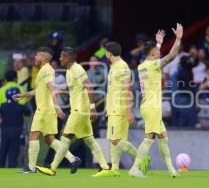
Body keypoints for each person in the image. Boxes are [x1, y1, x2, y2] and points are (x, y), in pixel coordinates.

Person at [35, 46, 117, 177]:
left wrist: (92, 108)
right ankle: (105, 167)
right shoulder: (69, 71)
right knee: (90, 140)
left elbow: (89, 87)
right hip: (79, 110)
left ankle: (52, 168)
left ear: (67, 58)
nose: (60, 58)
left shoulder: (77, 69)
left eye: (62, 56)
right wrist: (62, 90)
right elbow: (74, 88)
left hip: (80, 110)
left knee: (65, 137)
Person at [12, 47, 80, 174]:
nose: (35, 58)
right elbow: (40, 90)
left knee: (33, 135)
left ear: (43, 57)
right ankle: (72, 158)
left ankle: (31, 167)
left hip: (44, 109)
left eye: (37, 55)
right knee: (50, 139)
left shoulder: (46, 70)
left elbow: (52, 88)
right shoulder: (45, 70)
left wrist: (57, 105)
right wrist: (23, 95)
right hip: (48, 109)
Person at [129, 23, 183, 178]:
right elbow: (171, 56)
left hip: (149, 105)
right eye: (158, 51)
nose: (160, 53)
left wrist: (158, 43)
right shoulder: (153, 65)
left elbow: (152, 54)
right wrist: (178, 38)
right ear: (152, 54)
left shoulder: (142, 66)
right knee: (149, 138)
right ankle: (135, 168)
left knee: (163, 137)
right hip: (152, 106)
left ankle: (171, 170)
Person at [104, 42, 150, 175]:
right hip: (113, 108)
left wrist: (129, 110)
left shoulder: (122, 66)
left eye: (106, 52)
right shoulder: (113, 67)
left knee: (115, 139)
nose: (105, 54)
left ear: (109, 53)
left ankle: (142, 158)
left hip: (120, 109)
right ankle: (115, 168)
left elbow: (127, 88)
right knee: (116, 140)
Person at [0, 70, 30, 167]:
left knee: (3, 149)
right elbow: (25, 107)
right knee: (15, 149)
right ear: (15, 78)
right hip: (17, 123)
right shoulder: (20, 88)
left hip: (4, 122)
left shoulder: (1, 90)